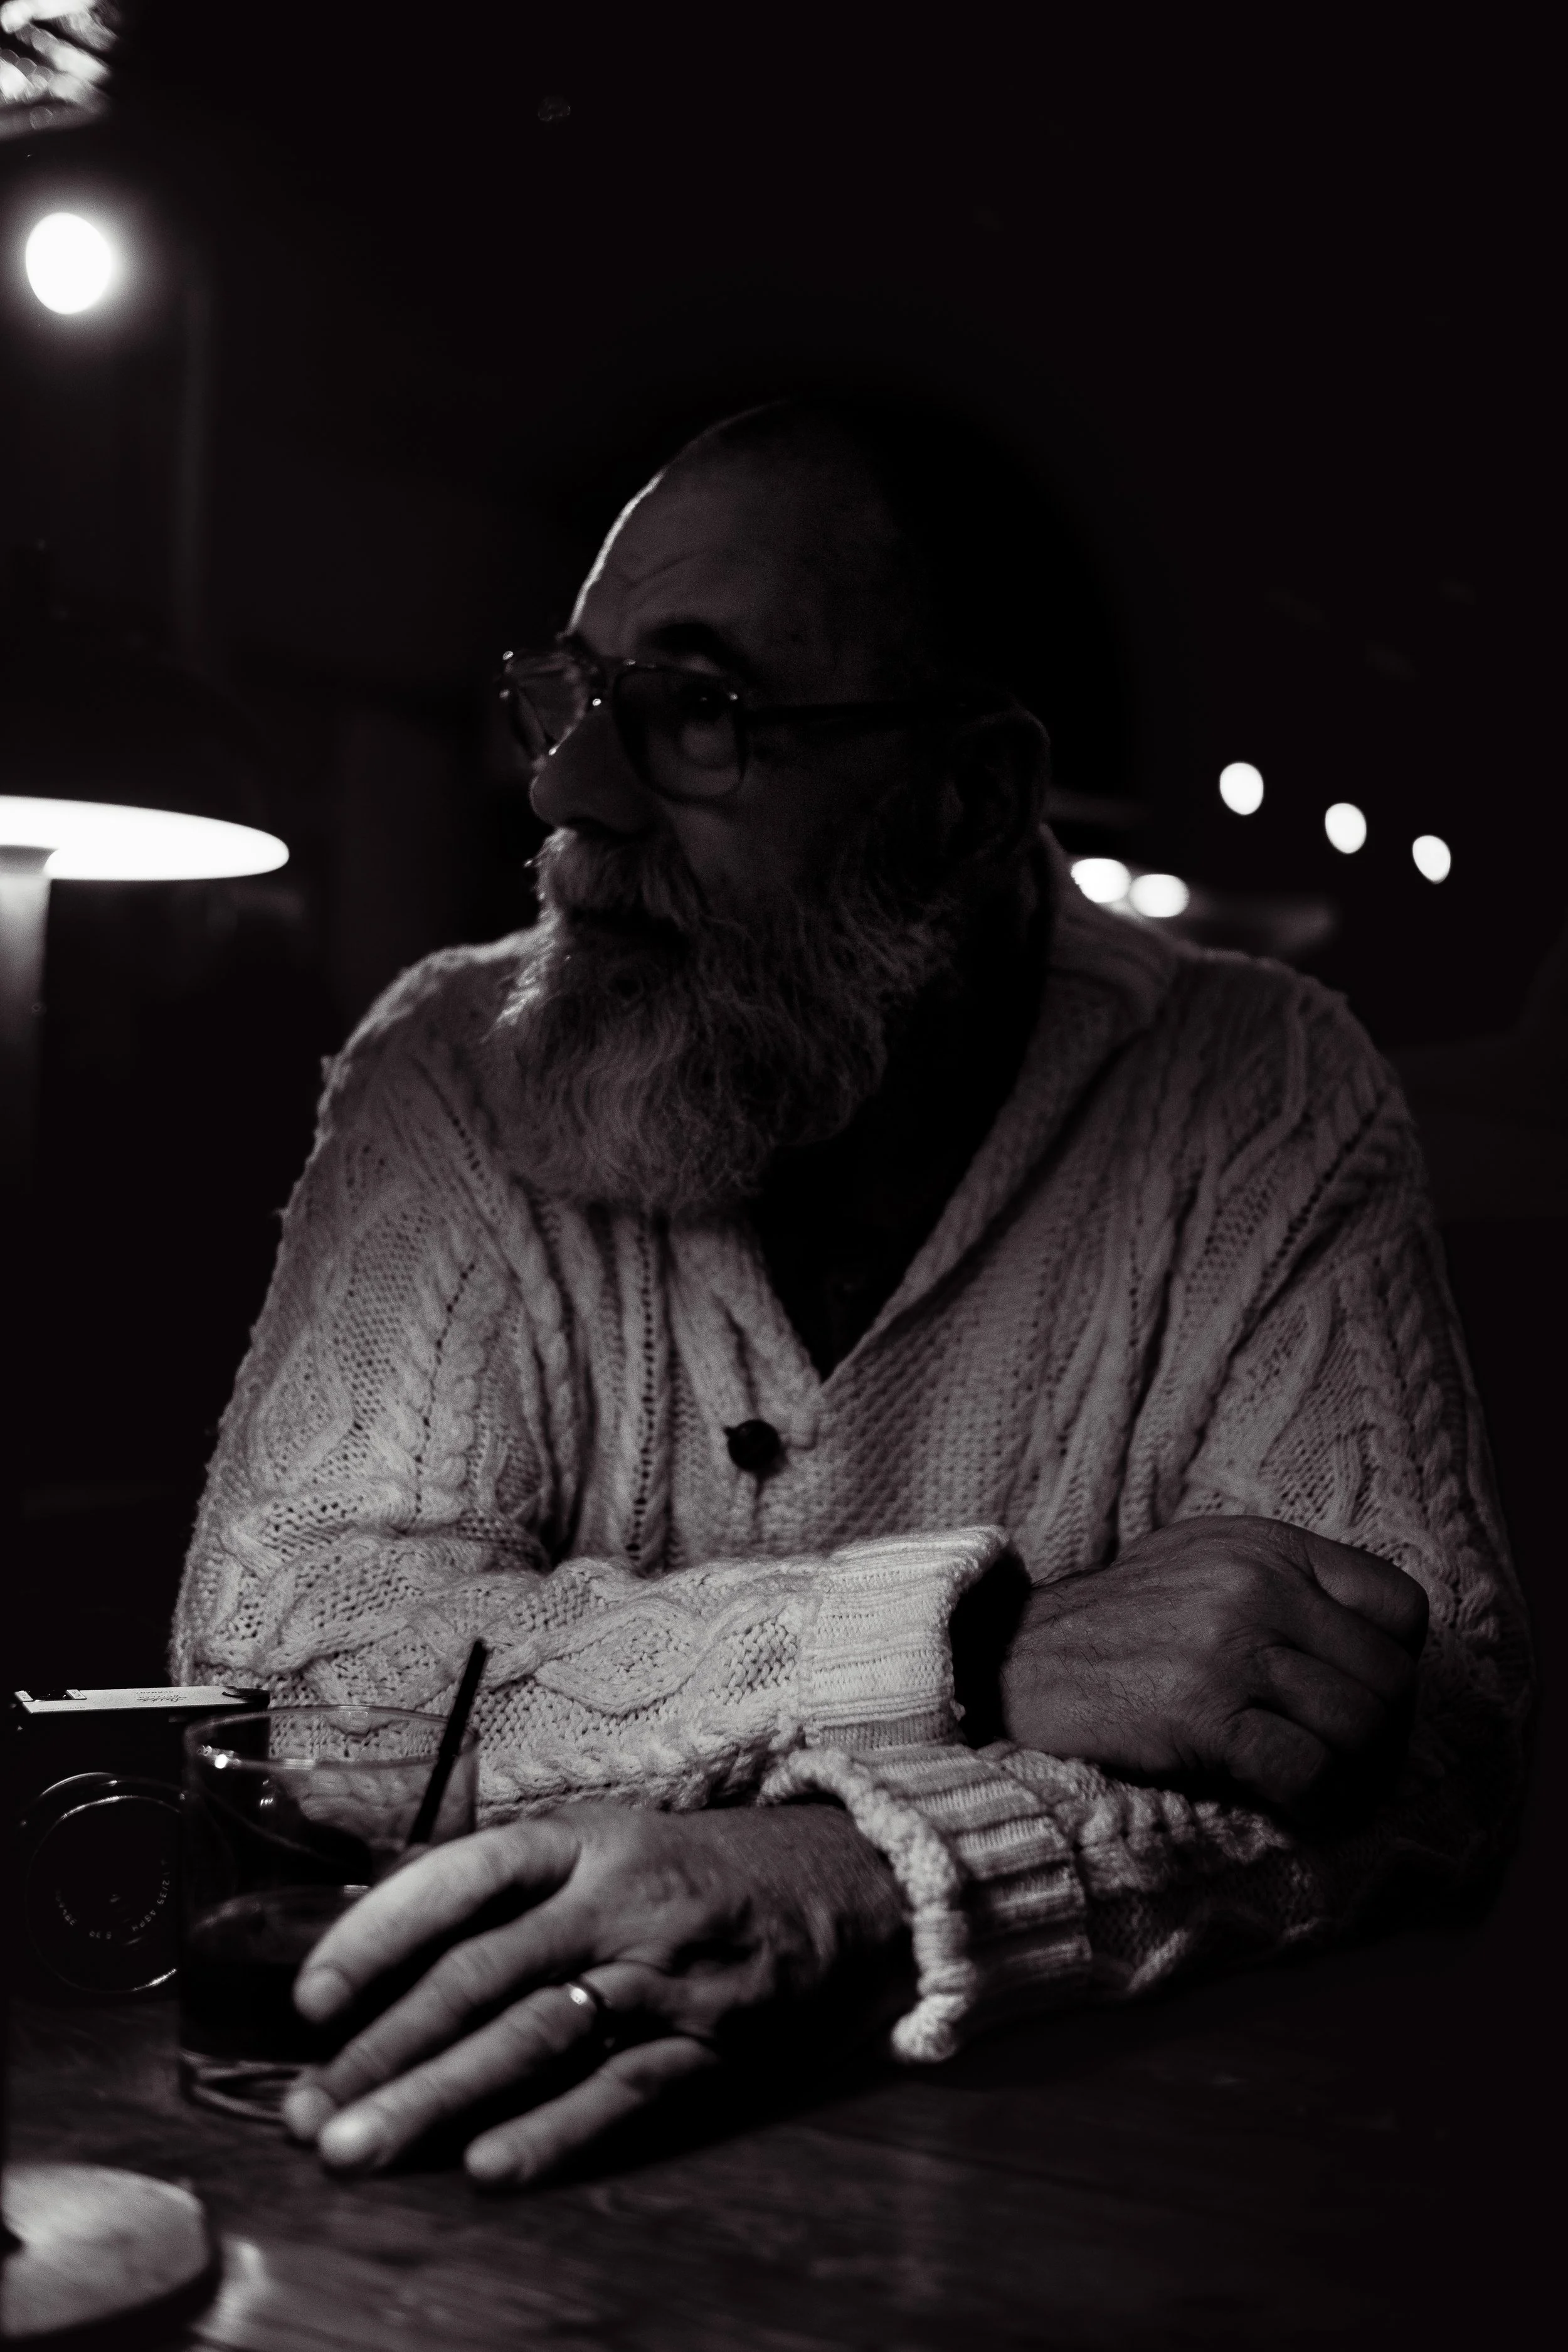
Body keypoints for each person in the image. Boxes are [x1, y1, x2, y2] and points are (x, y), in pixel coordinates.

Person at [172, 396, 1530, 2190]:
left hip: (1066, 2227)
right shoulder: (449, 1064)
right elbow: (288, 1672)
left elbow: (1416, 1757)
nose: (568, 792)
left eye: (698, 712)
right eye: (568, 693)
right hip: (467, 2181)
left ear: (963, 800)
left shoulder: (1258, 1090)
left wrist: (874, 1882)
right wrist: (967, 1657)